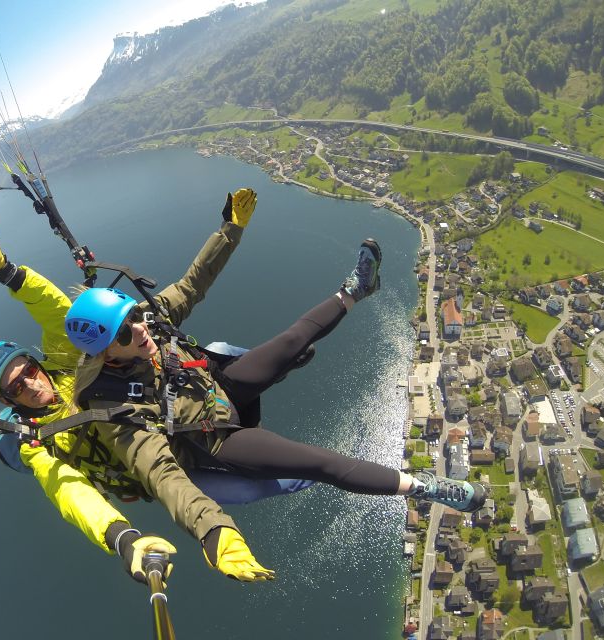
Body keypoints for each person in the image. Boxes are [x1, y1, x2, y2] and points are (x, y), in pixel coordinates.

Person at [63, 201, 488, 577]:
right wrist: (214, 531)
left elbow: (193, 284)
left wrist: (230, 230)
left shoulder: (144, 324)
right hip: (214, 440)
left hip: (214, 389)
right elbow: (162, 474)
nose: (140, 329)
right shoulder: (111, 407)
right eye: (125, 333)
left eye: (135, 317)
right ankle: (428, 488)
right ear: (104, 355)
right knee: (323, 464)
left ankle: (358, 288)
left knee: (293, 340)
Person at [0, 188, 288, 583]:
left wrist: (8, 273)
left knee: (220, 352)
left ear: (37, 362)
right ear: (10, 402)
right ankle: (306, 466)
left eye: (28, 370)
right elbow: (69, 492)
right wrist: (121, 538)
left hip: (177, 408)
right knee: (250, 488)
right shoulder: (38, 443)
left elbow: (56, 310)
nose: (30, 384)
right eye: (16, 388)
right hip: (159, 463)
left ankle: (261, 390)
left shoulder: (68, 364)